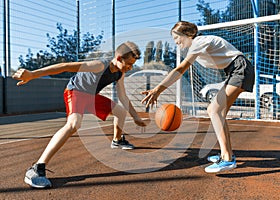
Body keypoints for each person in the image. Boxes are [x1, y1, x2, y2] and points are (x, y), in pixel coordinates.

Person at [12, 41, 146, 188]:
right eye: (129, 64)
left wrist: (135, 116)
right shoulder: (99, 65)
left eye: (132, 65)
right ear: (119, 58)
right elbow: (66, 66)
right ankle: (37, 168)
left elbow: (123, 97)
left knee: (120, 112)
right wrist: (33, 74)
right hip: (75, 91)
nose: (130, 68)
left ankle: (117, 140)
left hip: (91, 96)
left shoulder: (120, 73)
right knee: (74, 124)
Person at [141, 21, 254, 173]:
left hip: (240, 69)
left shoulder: (198, 42)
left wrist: (158, 89)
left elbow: (180, 69)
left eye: (176, 38)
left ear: (187, 35)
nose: (175, 42)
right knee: (217, 112)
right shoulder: (198, 45)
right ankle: (226, 154)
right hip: (236, 70)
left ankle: (227, 159)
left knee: (214, 110)